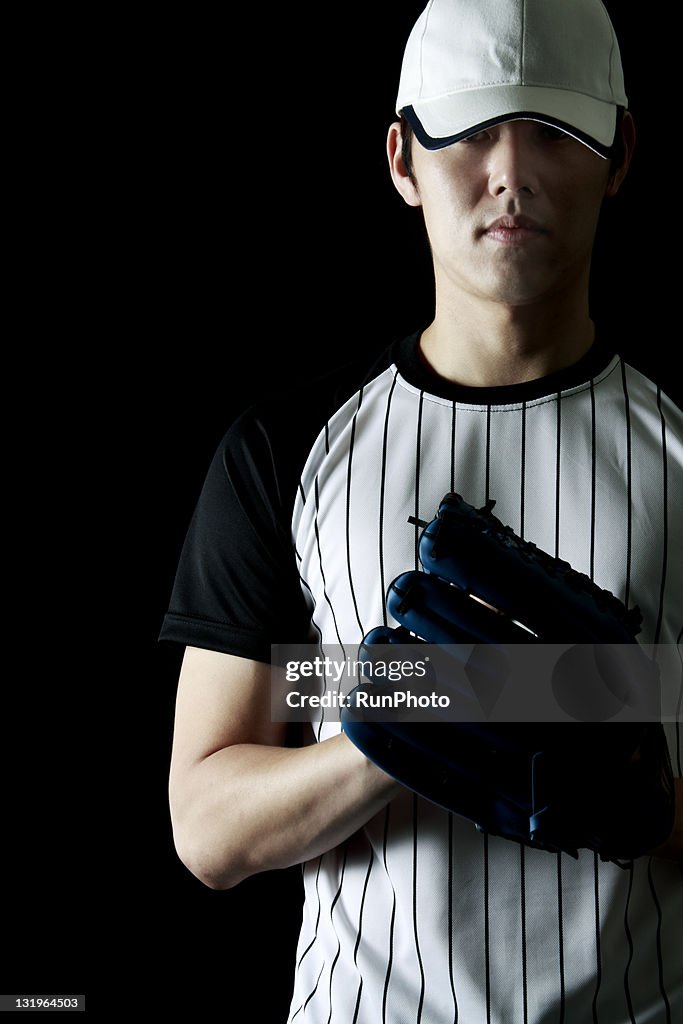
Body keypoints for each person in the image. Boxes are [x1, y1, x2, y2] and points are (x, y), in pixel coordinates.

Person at [160, 0, 682, 1020]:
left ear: (618, 154)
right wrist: (395, 715)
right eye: (472, 131)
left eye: (550, 132)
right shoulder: (284, 447)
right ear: (401, 158)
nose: (509, 172)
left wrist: (628, 773)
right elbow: (205, 826)